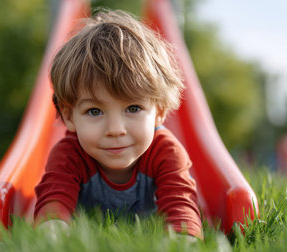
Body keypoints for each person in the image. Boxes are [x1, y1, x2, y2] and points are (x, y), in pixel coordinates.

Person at [34, 10, 202, 239]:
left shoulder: (166, 153)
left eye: (133, 109)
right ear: (70, 117)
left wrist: (183, 240)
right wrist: (52, 235)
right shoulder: (69, 155)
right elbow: (53, 207)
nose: (115, 129)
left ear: (160, 112)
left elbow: (180, 207)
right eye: (94, 111)